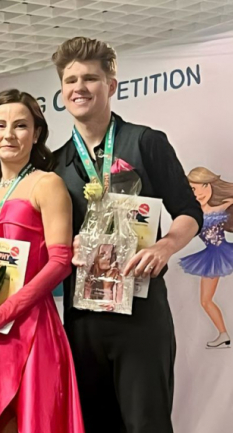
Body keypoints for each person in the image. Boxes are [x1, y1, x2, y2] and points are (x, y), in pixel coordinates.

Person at [51, 37, 203, 433]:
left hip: (140, 312)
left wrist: (165, 246)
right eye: (70, 81)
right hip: (83, 318)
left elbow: (190, 212)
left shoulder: (147, 142)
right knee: (95, 425)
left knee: (146, 424)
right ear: (62, 91)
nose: (79, 88)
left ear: (111, 84)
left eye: (90, 78)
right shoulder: (55, 164)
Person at [0, 89, 84, 433]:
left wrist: (6, 312)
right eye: (0, 125)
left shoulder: (47, 184)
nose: (9, 134)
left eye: (20, 126)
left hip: (32, 328)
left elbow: (60, 262)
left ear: (36, 133)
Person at [179, 167, 233, 349]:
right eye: (193, 189)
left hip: (220, 253)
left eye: (203, 186)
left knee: (205, 300)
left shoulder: (217, 208)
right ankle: (223, 334)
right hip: (213, 255)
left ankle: (224, 334)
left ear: (210, 185)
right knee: (205, 300)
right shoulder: (195, 214)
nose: (200, 192)